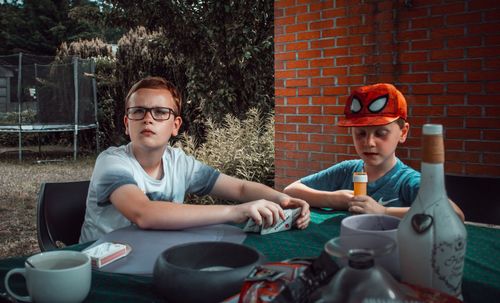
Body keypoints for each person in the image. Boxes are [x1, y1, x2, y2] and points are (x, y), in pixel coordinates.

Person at [80, 76, 310, 243]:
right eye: (138, 111)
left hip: (153, 253)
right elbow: (144, 213)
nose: (148, 119)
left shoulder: (179, 163)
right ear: (127, 123)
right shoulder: (111, 162)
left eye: (160, 112)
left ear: (175, 125)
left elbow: (239, 188)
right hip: (102, 266)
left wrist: (283, 199)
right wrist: (236, 212)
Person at [283, 83, 465, 221]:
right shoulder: (348, 170)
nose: (369, 143)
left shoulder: (407, 181)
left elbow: (454, 214)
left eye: (380, 133)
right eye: (360, 133)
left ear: (402, 133)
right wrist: (335, 199)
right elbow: (290, 191)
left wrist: (384, 212)